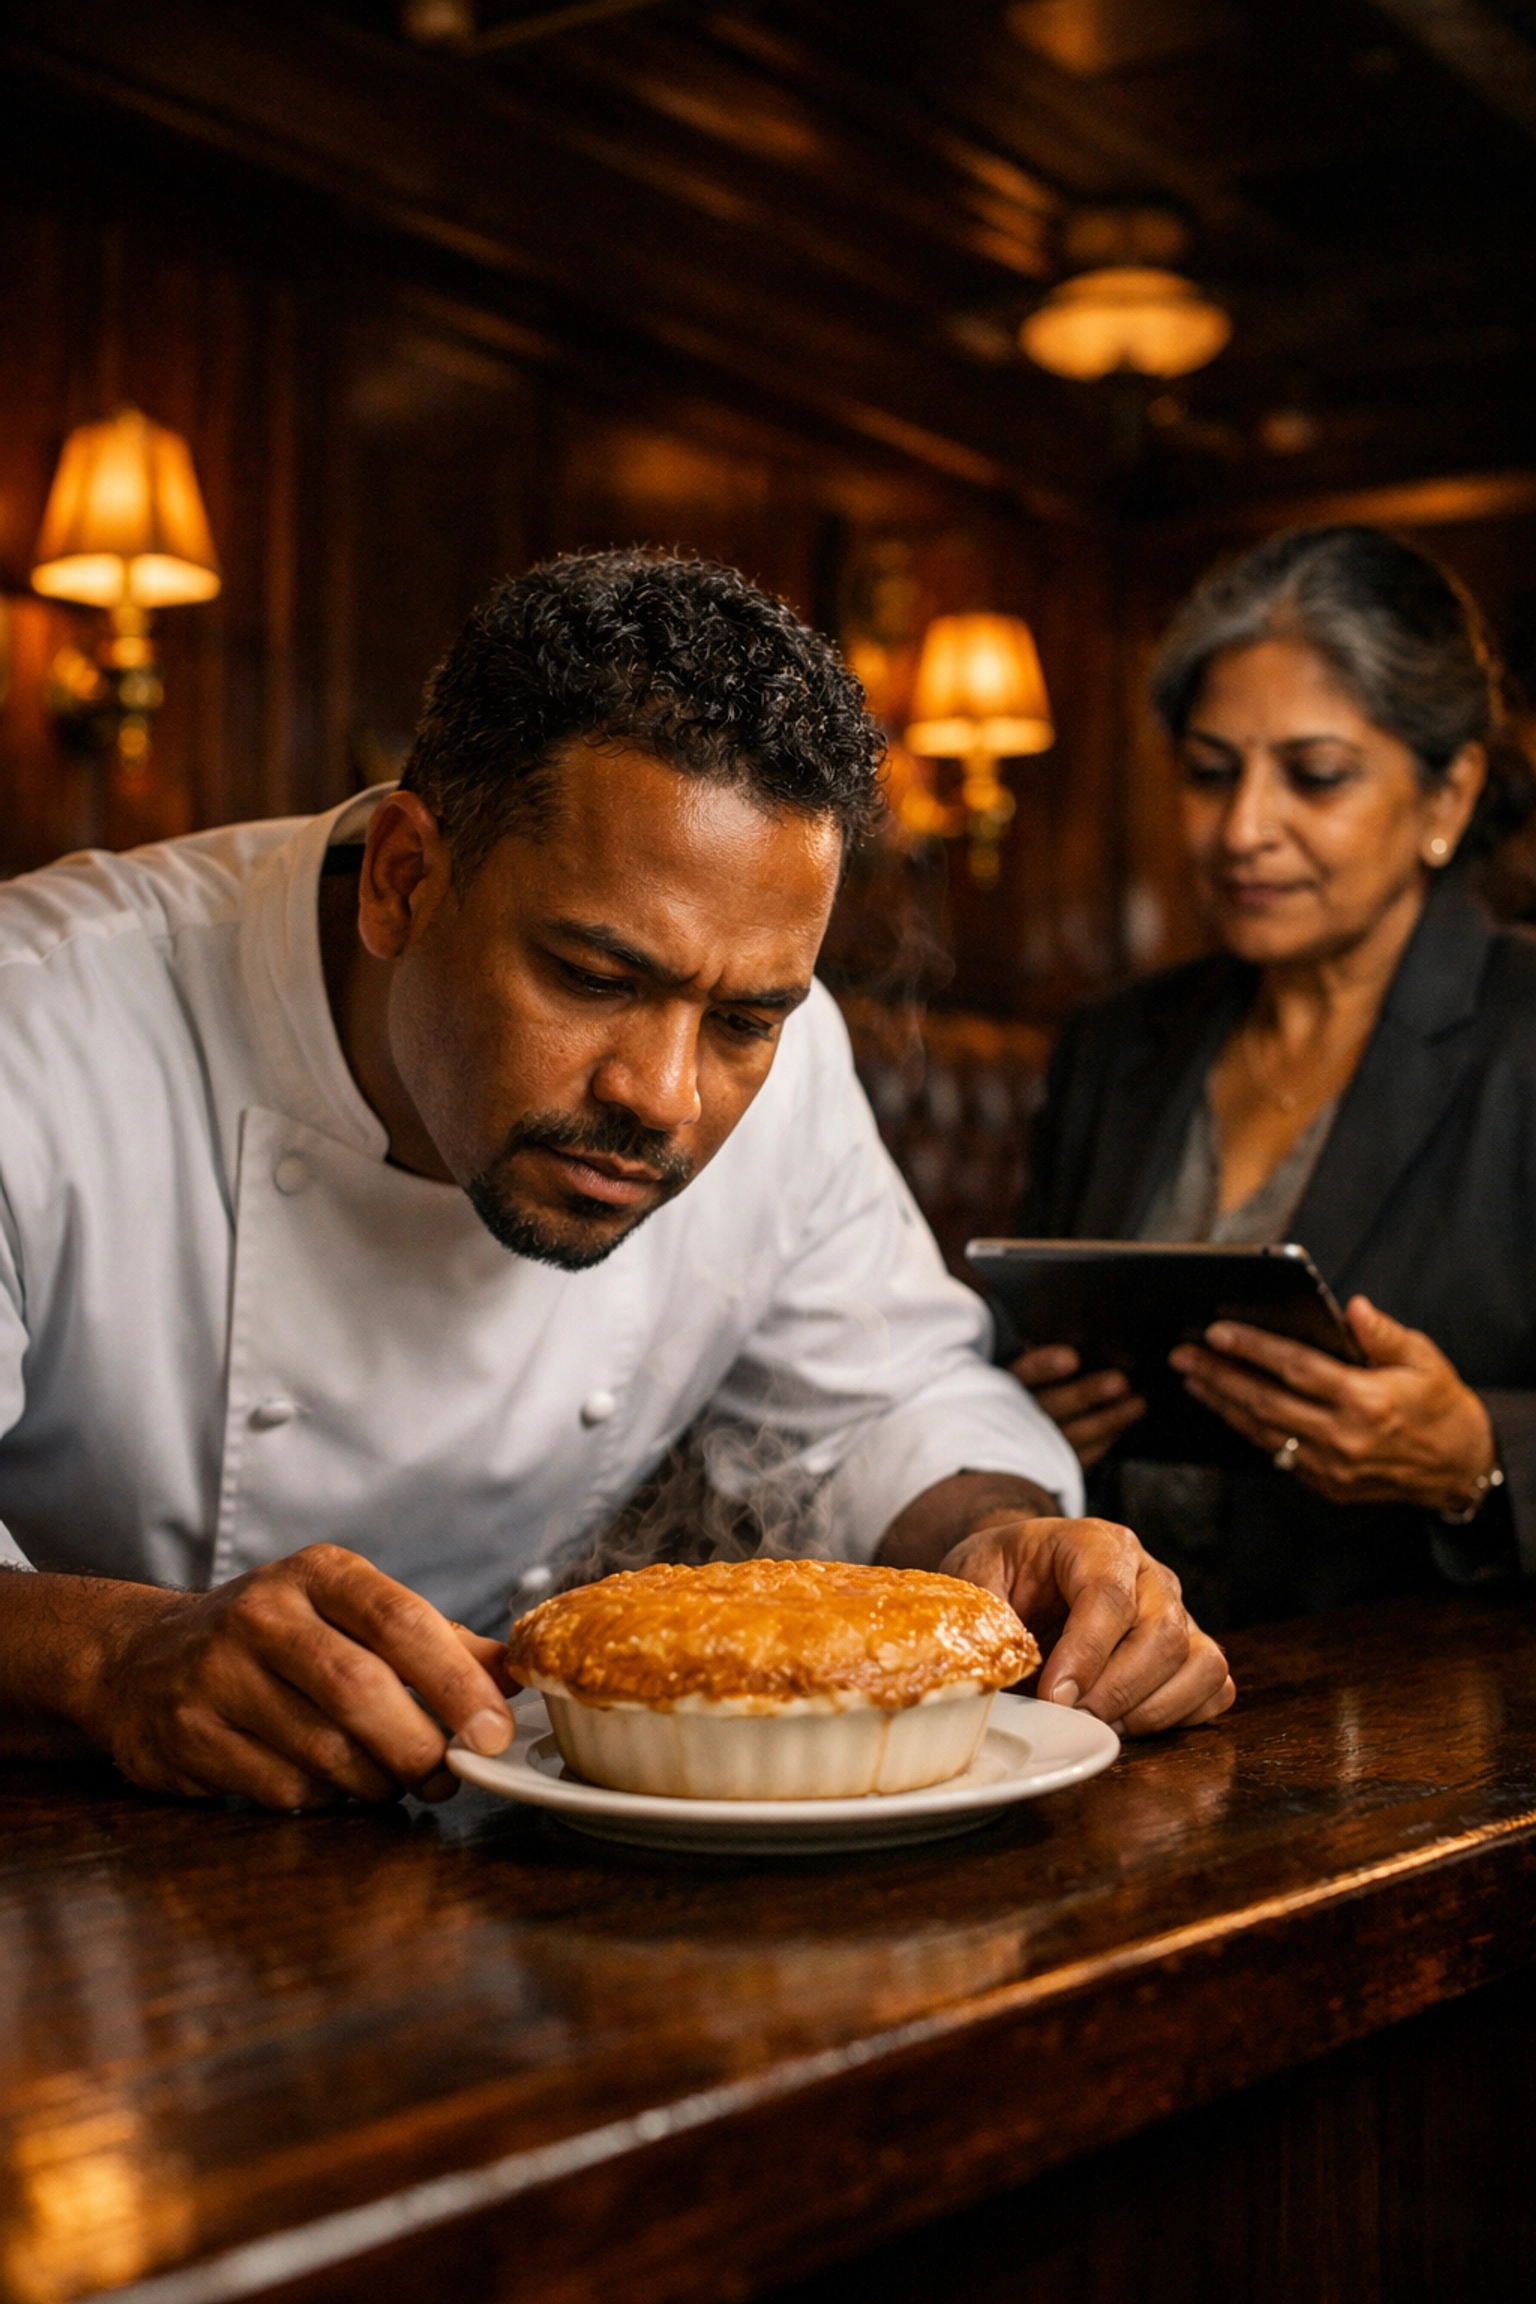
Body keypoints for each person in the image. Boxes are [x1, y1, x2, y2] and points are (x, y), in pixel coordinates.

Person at [0, 550, 1232, 1808]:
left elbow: (884, 1404)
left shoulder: (789, 1059)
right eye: (596, 979)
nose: (665, 1095)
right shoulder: (36, 1020)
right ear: (404, 878)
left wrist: (1009, 1544)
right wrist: (114, 1661)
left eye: (747, 1019)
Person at [1013, 524, 1536, 1629]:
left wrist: (1480, 1459)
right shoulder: (1116, 1044)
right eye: (1211, 775)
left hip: (1422, 1725)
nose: (1244, 829)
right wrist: (1022, 1415)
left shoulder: (1519, 1032)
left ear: (1446, 798)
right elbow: (1014, 1364)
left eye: (1318, 776)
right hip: (1103, 1690)